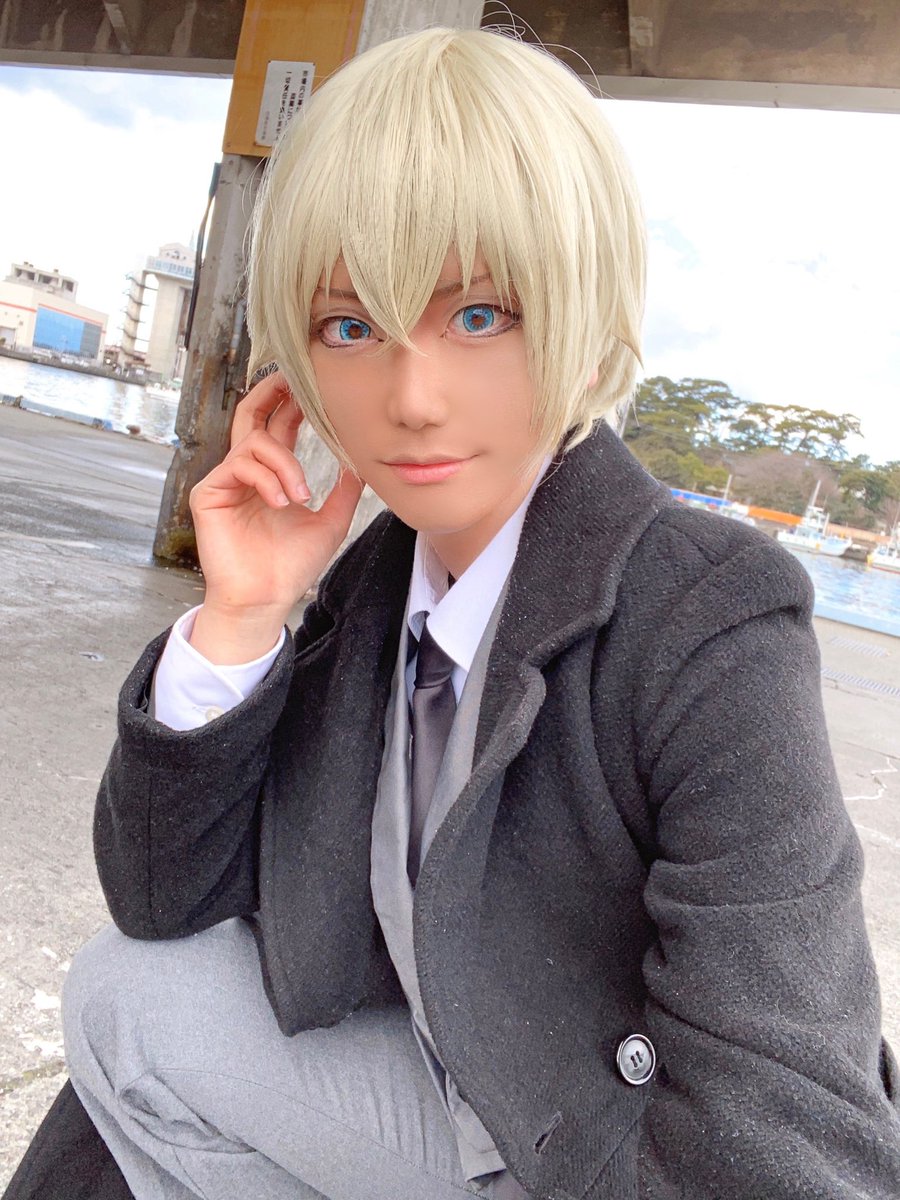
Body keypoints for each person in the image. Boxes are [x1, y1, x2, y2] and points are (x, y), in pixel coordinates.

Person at [39, 24, 900, 1200]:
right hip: (449, 1097)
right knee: (130, 1000)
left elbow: (783, 1124)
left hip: (591, 1155)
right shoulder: (372, 587)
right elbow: (163, 900)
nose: (413, 397)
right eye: (352, 327)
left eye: (482, 314)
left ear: (583, 313)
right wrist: (242, 616)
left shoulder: (704, 614)